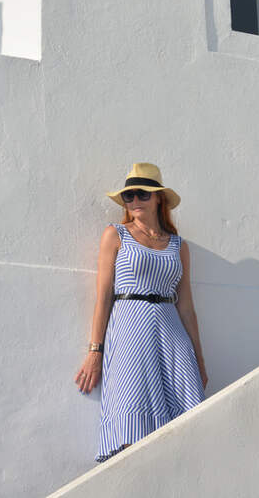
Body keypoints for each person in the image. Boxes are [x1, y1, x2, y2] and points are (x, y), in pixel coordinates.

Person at [74, 162, 209, 463]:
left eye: (141, 194)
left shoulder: (178, 246)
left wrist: (199, 358)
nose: (134, 201)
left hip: (171, 335)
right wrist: (95, 350)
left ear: (159, 198)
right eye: (128, 196)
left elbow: (186, 307)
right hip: (129, 331)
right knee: (131, 419)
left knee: (187, 424)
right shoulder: (116, 235)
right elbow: (104, 297)